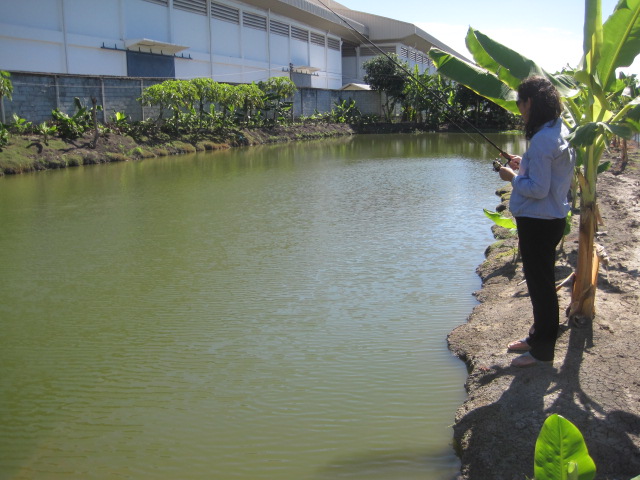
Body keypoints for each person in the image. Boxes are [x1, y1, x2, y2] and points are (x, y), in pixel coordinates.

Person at [497, 75, 575, 368]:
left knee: (541, 285)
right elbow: (549, 172)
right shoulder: (558, 129)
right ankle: (537, 337)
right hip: (550, 218)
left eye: (519, 102)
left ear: (529, 102)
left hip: (539, 221)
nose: (519, 108)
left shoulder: (543, 140)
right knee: (539, 281)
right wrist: (524, 163)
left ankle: (542, 350)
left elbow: (538, 189)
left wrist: (512, 177)